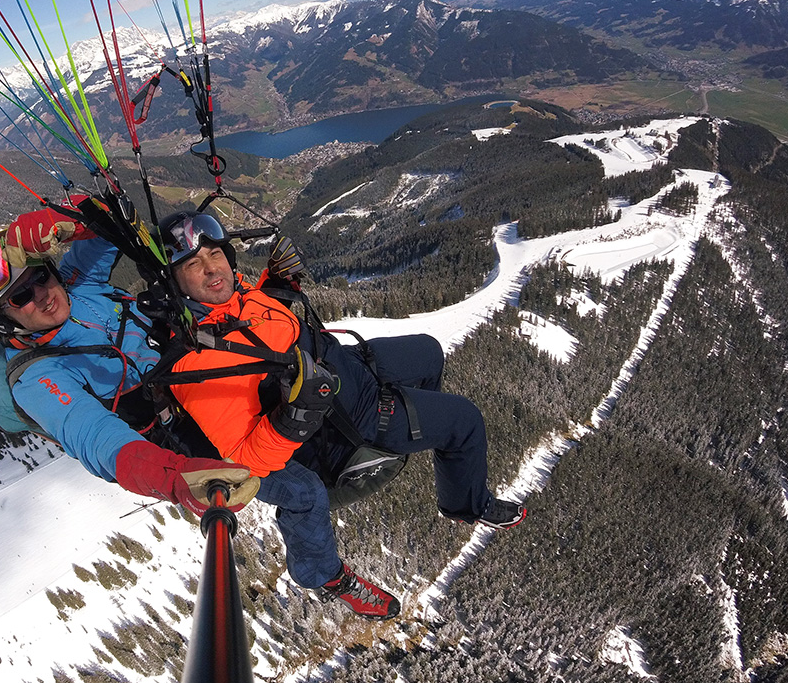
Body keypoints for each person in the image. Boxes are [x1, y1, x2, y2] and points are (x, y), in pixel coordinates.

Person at [159, 210, 526, 621]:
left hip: (341, 366)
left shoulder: (236, 296)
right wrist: (291, 420)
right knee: (464, 422)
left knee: (428, 351)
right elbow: (245, 462)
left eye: (215, 254)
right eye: (193, 264)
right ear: (176, 283)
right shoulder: (197, 363)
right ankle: (463, 504)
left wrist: (276, 284)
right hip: (345, 414)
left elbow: (255, 328)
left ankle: (419, 431)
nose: (211, 269)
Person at [0, 199, 259, 517]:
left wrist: (62, 218)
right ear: (3, 320)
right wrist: (174, 478)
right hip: (187, 425)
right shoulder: (37, 374)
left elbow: (112, 217)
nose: (43, 295)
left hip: (210, 358)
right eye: (21, 297)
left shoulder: (78, 283)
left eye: (41, 278)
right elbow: (94, 436)